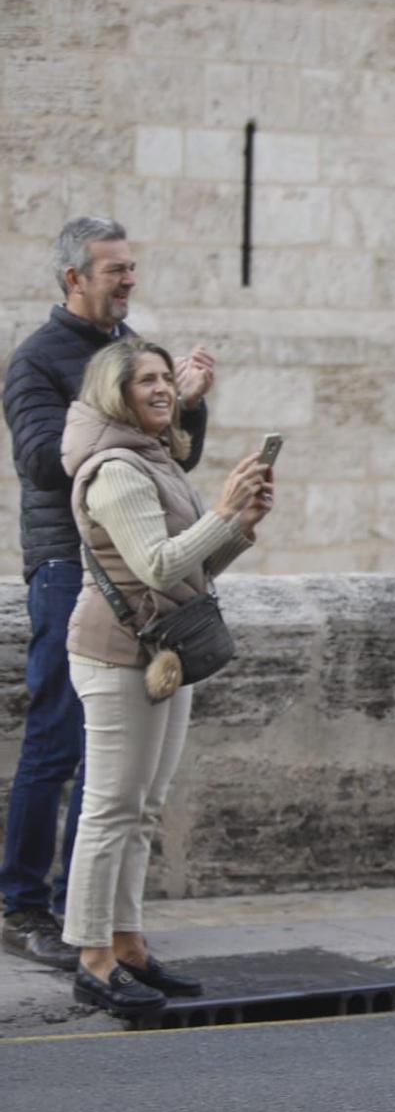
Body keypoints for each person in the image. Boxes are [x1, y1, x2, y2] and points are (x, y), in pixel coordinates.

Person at [2, 217, 214, 971]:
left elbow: (170, 456)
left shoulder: (127, 351)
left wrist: (182, 405)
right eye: (114, 270)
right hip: (71, 565)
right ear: (74, 279)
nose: (129, 280)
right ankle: (23, 902)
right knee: (57, 736)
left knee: (119, 768)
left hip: (137, 568)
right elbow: (39, 460)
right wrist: (119, 405)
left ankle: (85, 912)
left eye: (131, 267)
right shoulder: (37, 360)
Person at [59, 340, 265, 1015]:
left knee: (143, 808)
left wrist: (238, 525)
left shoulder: (156, 458)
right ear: (116, 392)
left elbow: (190, 572)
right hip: (119, 652)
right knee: (111, 807)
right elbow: (155, 564)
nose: (162, 389)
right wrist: (222, 510)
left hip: (162, 647)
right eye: (145, 380)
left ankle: (128, 942)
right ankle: (91, 954)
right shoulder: (117, 469)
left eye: (164, 379)